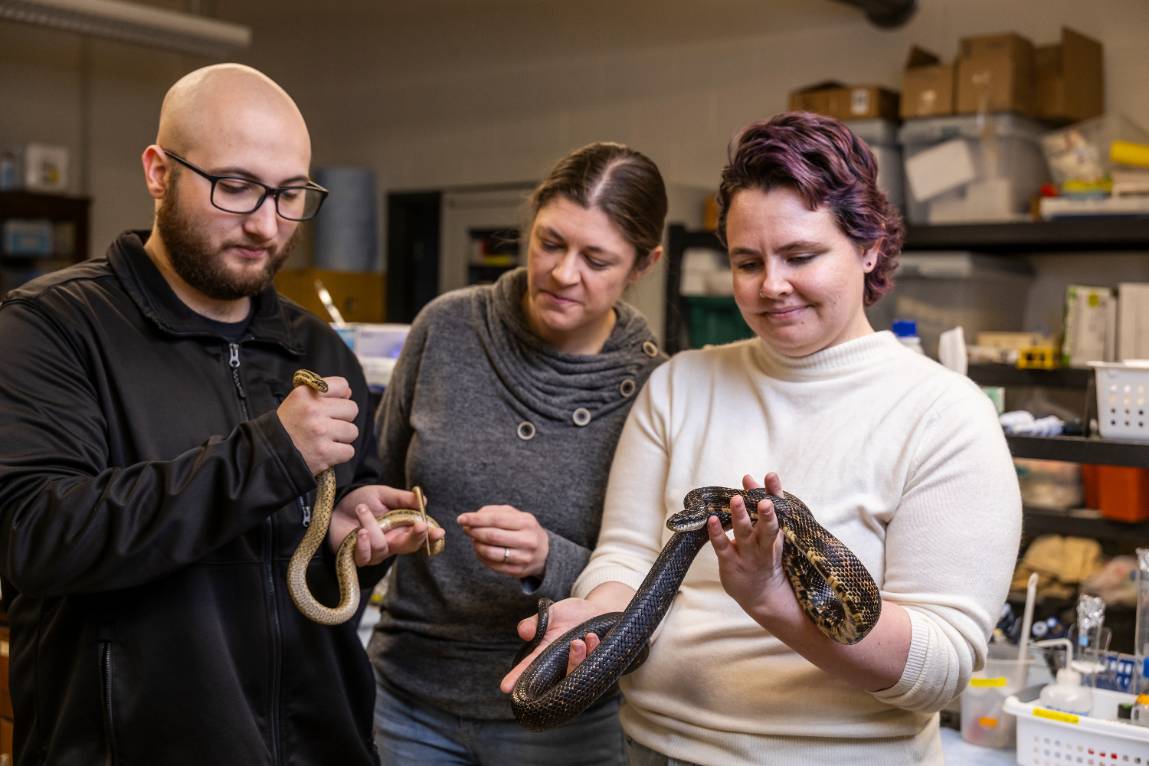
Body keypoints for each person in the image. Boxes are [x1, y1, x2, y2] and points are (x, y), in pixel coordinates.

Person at [503, 111, 1023, 764]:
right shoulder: (680, 385)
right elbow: (627, 556)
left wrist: (774, 602)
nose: (770, 285)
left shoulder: (943, 415)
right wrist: (601, 615)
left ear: (867, 247)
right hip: (649, 750)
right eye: (746, 261)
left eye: (800, 256)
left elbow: (940, 668)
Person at [0, 64, 441, 766]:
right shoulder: (52, 329)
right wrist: (268, 455)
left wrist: (350, 539)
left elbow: (300, 581)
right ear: (158, 171)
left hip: (315, 745)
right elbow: (37, 537)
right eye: (234, 187)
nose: (266, 225)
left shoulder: (317, 349)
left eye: (291, 194)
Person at [367, 141, 669, 765]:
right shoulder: (447, 328)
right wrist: (374, 520)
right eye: (551, 242)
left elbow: (656, 585)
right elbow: (376, 481)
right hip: (408, 699)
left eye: (597, 259)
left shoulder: (656, 389)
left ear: (643, 265)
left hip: (564, 717)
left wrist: (549, 560)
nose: (563, 273)